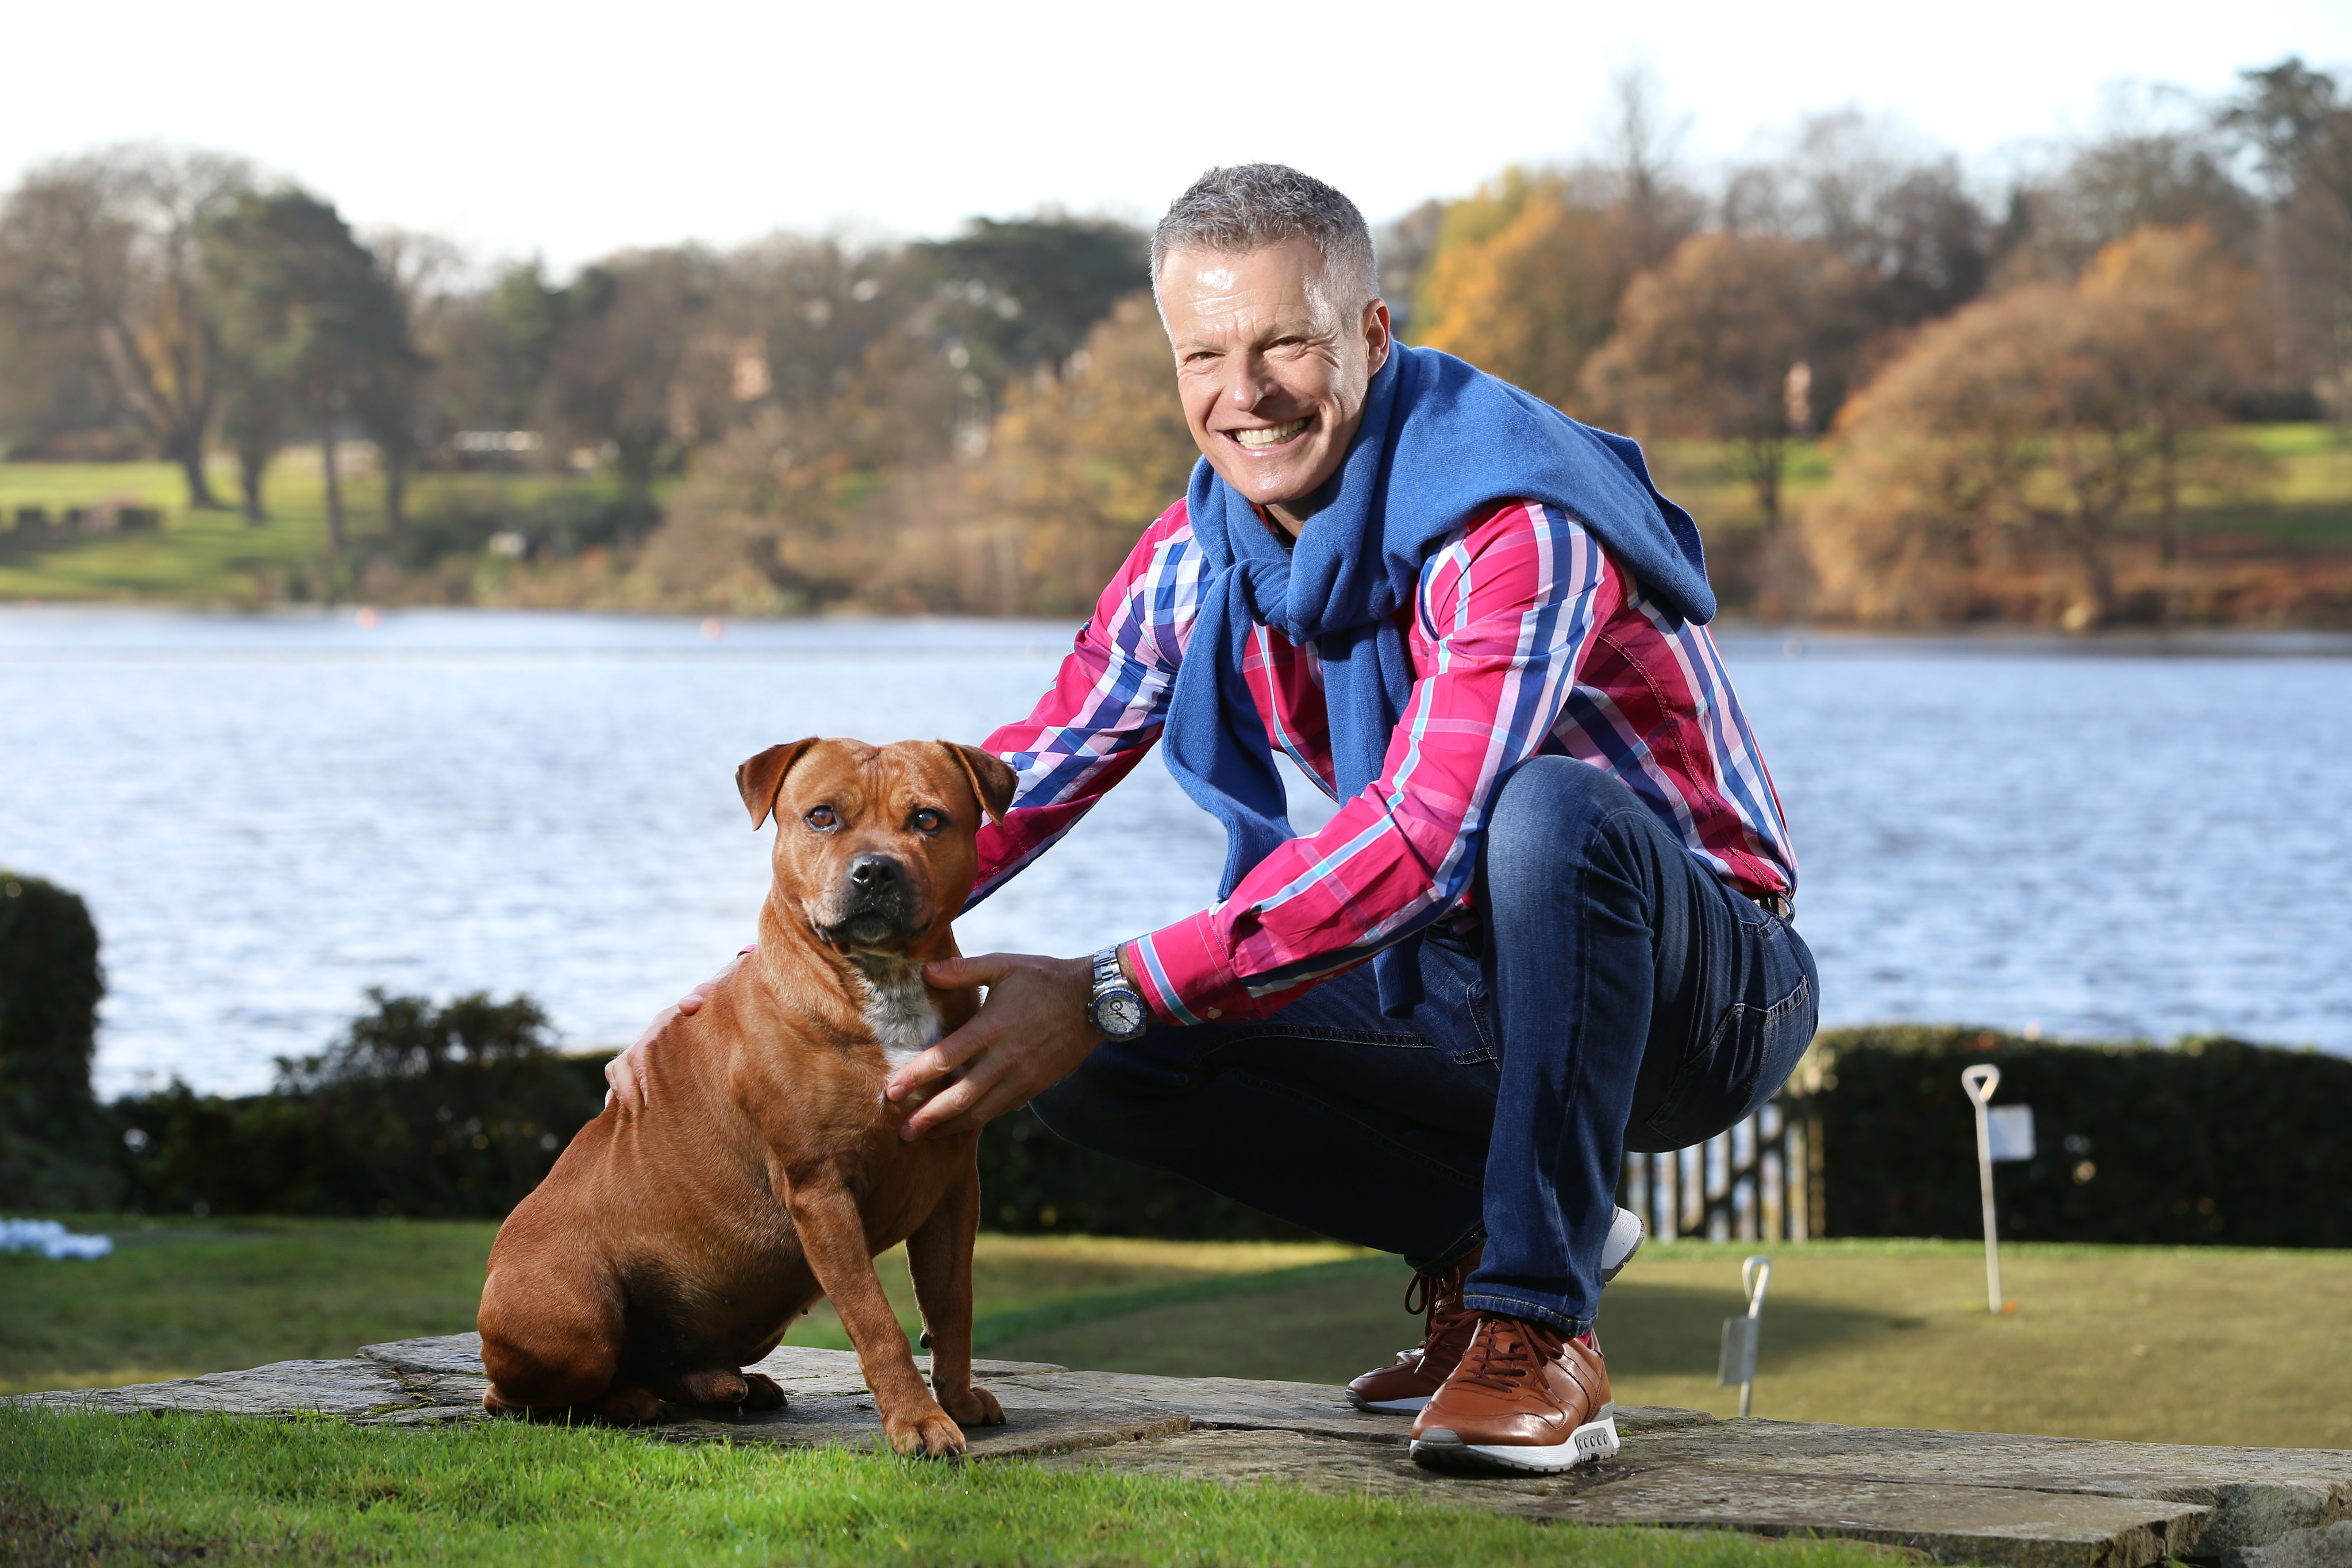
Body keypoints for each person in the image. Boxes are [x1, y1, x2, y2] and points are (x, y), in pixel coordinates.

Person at [607, 164, 1817, 1476]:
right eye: (1205, 353)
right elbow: (1024, 777)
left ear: (1370, 336)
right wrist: (746, 989)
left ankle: (1541, 1326)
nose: (1245, 393)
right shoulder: (1198, 555)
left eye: (1287, 342)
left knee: (1545, 814)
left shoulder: (1513, 524)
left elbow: (1427, 834)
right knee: (1096, 1046)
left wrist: (1115, 983)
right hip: (1463, 982)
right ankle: (1483, 1237)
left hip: (1696, 996)